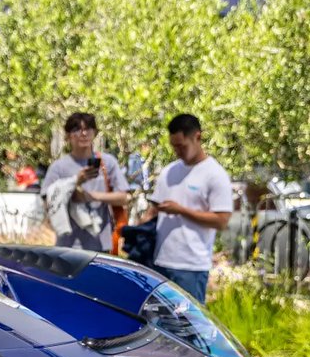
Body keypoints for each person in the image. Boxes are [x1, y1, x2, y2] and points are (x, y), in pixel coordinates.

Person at [142, 114, 233, 303]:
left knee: (187, 328)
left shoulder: (215, 174)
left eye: (182, 146)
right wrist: (141, 226)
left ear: (197, 137)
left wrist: (181, 211)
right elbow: (153, 209)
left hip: (190, 266)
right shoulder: (169, 171)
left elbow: (222, 221)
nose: (177, 151)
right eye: (174, 146)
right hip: (159, 261)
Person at [40, 113, 130, 251]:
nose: (83, 134)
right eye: (76, 129)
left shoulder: (107, 162)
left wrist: (90, 196)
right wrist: (75, 182)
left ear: (94, 132)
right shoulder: (59, 167)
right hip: (68, 246)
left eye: (88, 129)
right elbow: (48, 203)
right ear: (68, 135)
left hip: (101, 244)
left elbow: (124, 198)